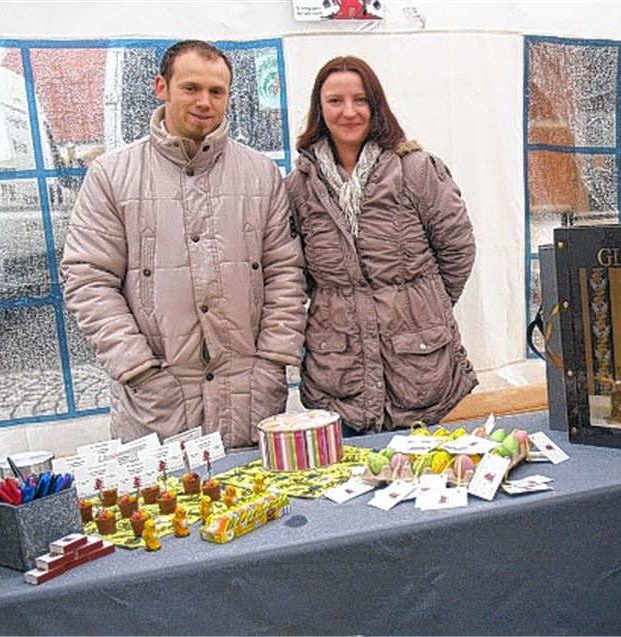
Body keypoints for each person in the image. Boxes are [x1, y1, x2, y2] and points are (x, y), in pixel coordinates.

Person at [62, 40, 307, 449]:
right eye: (190, 88)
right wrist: (138, 369)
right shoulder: (112, 175)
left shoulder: (261, 174)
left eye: (217, 91)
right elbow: (88, 281)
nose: (204, 102)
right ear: (162, 87)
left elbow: (285, 273)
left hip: (247, 400)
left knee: (257, 511)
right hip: (157, 404)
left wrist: (272, 361)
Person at [286, 56, 477, 434]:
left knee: (432, 478)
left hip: (421, 368)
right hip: (340, 375)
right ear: (319, 110)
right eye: (335, 101)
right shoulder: (300, 187)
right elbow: (294, 274)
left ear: (377, 107)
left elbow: (458, 249)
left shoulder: (416, 169)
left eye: (361, 100)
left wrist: (421, 307)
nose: (349, 112)